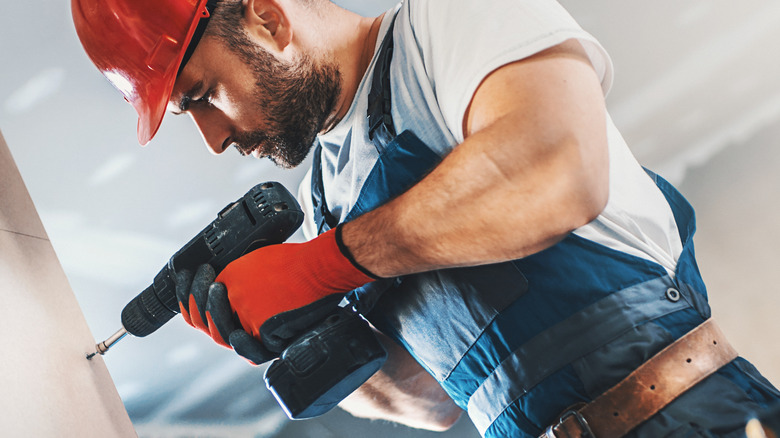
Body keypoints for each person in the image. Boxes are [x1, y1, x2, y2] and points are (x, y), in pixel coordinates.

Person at [72, 0, 780, 436]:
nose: (215, 139)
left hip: (686, 417)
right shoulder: (327, 203)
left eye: (201, 96)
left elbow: (556, 173)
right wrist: (292, 339)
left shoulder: (450, 22)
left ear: (266, 16)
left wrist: (319, 267)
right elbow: (435, 402)